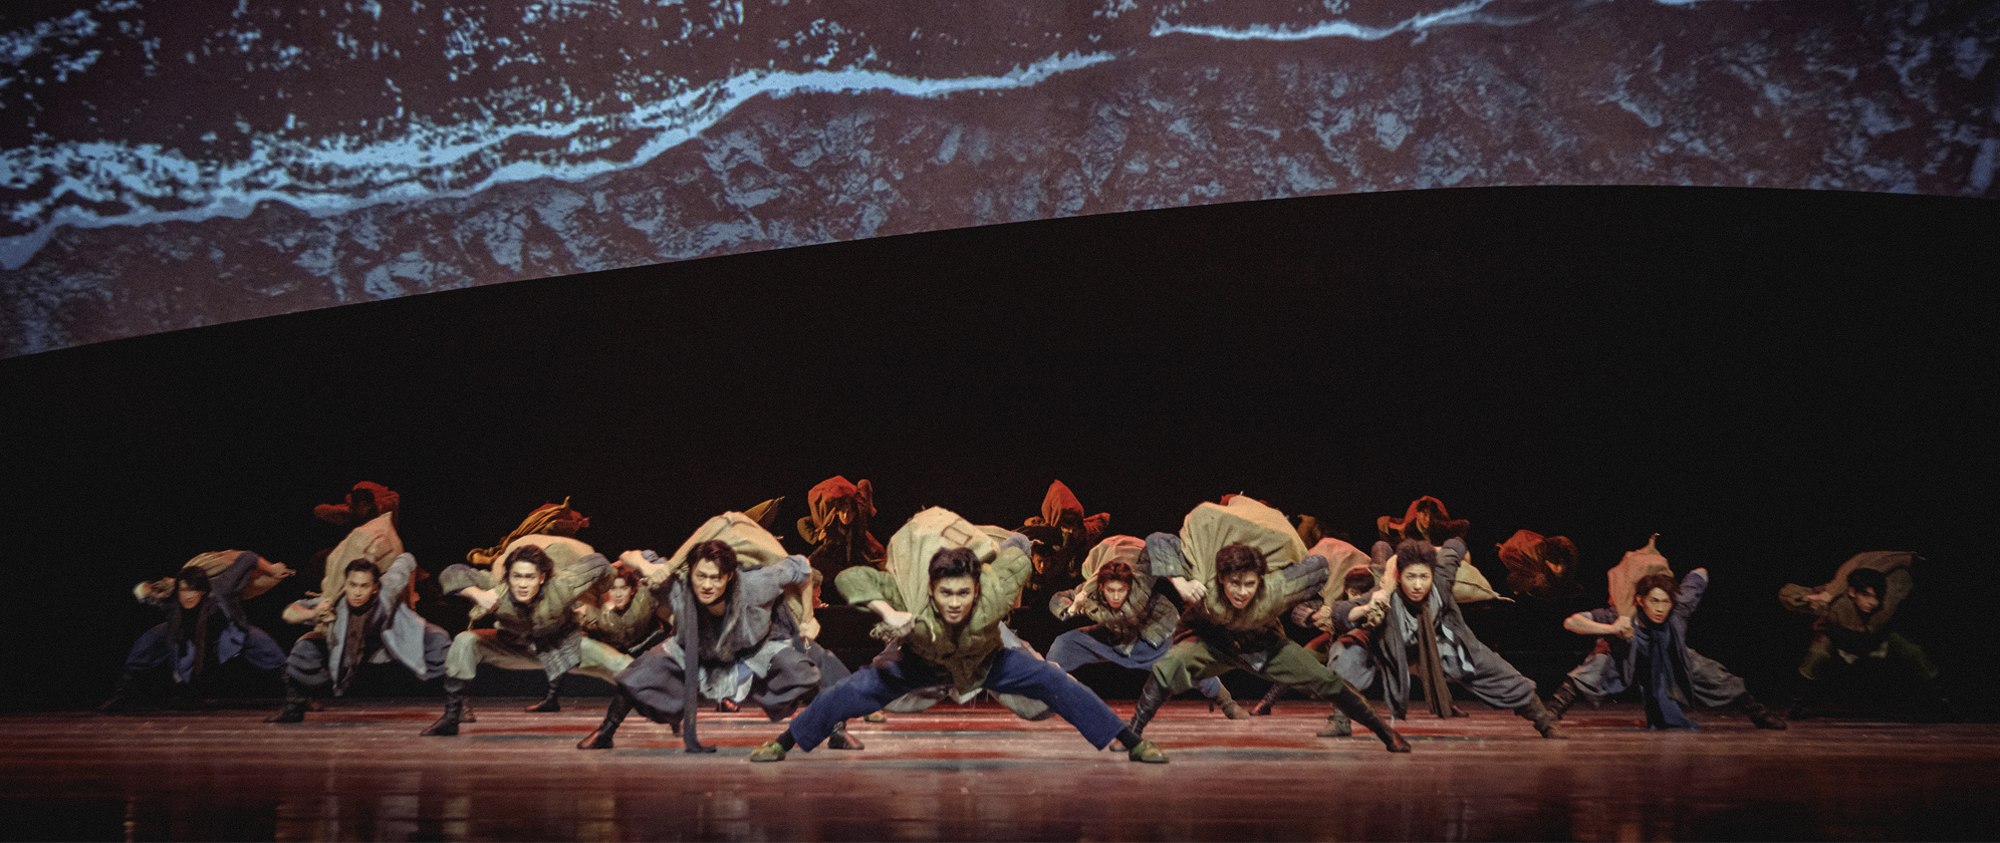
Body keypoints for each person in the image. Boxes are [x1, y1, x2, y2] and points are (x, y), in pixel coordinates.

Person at [752, 512, 1168, 763]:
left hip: (988, 660)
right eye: (945, 594)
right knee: (849, 691)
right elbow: (851, 578)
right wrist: (889, 611)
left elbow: (1017, 555)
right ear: (931, 591)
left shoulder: (994, 592)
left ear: (977, 590)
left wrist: (1023, 541)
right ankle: (783, 742)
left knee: (1057, 682)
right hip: (921, 661)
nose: (954, 603)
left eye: (963, 594)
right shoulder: (914, 602)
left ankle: (1131, 741)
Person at [1131, 533, 1409, 753]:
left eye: (1249, 584)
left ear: (1260, 580)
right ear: (1221, 579)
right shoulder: (1204, 586)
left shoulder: (1277, 588)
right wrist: (1179, 581)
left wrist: (1314, 606)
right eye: (1235, 583)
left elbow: (1318, 567)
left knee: (1326, 680)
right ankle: (1133, 734)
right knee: (1170, 664)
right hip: (1213, 642)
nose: (1242, 592)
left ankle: (1385, 732)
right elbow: (1159, 539)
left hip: (1264, 645)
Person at [600, 540, 848, 752]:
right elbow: (629, 555)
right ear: (691, 571)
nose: (707, 585)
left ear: (729, 576)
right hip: (695, 654)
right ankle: (605, 732)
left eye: (715, 578)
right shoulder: (678, 585)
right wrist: (644, 566)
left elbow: (802, 567)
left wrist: (807, 618)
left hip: (753, 653)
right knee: (641, 669)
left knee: (800, 670)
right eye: (701, 576)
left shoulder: (757, 583)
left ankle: (836, 731)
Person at [1333, 539, 1563, 738]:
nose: (1417, 585)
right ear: (1400, 577)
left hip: (1438, 643)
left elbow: (1455, 544)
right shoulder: (1384, 593)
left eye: (1424, 577)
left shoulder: (1442, 577)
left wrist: (1428, 550)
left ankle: (1544, 721)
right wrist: (1367, 607)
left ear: (1432, 575)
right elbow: (1340, 612)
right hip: (1390, 647)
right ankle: (1339, 720)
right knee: (1347, 649)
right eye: (1410, 577)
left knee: (1496, 670)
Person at [421, 544, 622, 736]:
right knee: (465, 641)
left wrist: (604, 595)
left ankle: (635, 712)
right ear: (508, 576)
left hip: (561, 649)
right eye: (516, 576)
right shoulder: (497, 587)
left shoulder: (563, 584)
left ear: (542, 578)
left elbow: (600, 563)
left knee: (621, 666)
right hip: (513, 648)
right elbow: (452, 572)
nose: (522, 584)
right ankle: (451, 717)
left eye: (529, 577)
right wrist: (478, 594)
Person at [1554, 570, 1785, 730]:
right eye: (1654, 601)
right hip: (1626, 659)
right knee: (1598, 660)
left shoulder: (1679, 607)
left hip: (1671, 659)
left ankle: (1759, 714)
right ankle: (1553, 711)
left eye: (1665, 602)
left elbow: (1701, 573)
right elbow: (1571, 622)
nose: (1660, 608)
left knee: (1715, 674)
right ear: (1640, 600)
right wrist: (1612, 628)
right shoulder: (1620, 615)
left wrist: (1665, 573)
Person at [1044, 535, 1246, 719]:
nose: (1116, 597)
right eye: (1111, 591)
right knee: (1064, 644)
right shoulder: (1089, 592)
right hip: (1114, 639)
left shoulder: (1139, 578)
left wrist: (1180, 583)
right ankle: (1045, 698)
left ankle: (1228, 705)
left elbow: (1159, 543)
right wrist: (1070, 608)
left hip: (1153, 636)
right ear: (1101, 587)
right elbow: (1057, 598)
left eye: (1122, 590)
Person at [268, 555, 451, 722]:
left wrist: (409, 592)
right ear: (346, 584)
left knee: (439, 639)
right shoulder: (335, 601)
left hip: (390, 643)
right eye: (353, 585)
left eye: (364, 586)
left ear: (375, 588)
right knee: (305, 646)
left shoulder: (390, 585)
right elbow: (289, 612)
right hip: (351, 649)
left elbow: (408, 560)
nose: (357, 592)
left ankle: (456, 707)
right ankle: (294, 707)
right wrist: (314, 614)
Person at [101, 552, 288, 711]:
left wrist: (272, 570)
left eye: (194, 590)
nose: (188, 596)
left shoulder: (222, 586)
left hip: (225, 631)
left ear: (204, 591)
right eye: (184, 590)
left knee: (263, 643)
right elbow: (142, 591)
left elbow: (248, 557)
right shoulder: (172, 596)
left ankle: (297, 696)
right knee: (148, 641)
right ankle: (120, 695)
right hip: (183, 632)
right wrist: (145, 589)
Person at [1779, 552, 1944, 718]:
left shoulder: (1890, 598)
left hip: (1874, 639)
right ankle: (1794, 703)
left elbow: (1894, 565)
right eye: (1866, 596)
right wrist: (1810, 598)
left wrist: (1910, 559)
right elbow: (1787, 594)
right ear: (1852, 592)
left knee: (1913, 651)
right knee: (1818, 652)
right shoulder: (1834, 602)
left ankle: (1943, 703)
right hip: (1839, 637)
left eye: (1876, 598)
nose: (1872, 603)